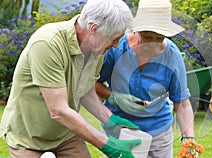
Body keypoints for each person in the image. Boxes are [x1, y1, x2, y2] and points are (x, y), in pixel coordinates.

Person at [0, 0, 142, 158]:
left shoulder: (97, 49)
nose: (116, 45)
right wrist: (108, 145)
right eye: (114, 39)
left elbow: (85, 89)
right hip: (28, 136)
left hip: (66, 135)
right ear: (94, 28)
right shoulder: (48, 43)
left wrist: (111, 120)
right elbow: (59, 110)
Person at [95, 0, 201, 157]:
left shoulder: (172, 56)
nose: (153, 43)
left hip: (158, 132)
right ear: (137, 30)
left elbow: (182, 103)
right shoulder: (117, 48)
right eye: (147, 36)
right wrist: (114, 97)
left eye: (159, 38)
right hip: (119, 128)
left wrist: (189, 140)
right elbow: (92, 84)